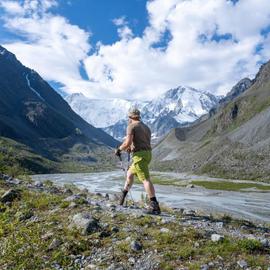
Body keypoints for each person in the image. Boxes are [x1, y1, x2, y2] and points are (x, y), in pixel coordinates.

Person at [115, 107, 161, 215]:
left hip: (139, 156)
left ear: (130, 117)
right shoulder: (146, 127)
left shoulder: (131, 126)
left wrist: (119, 149)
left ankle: (154, 205)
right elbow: (141, 142)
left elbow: (127, 142)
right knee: (130, 174)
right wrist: (132, 147)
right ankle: (122, 198)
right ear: (138, 116)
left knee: (145, 179)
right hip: (147, 154)